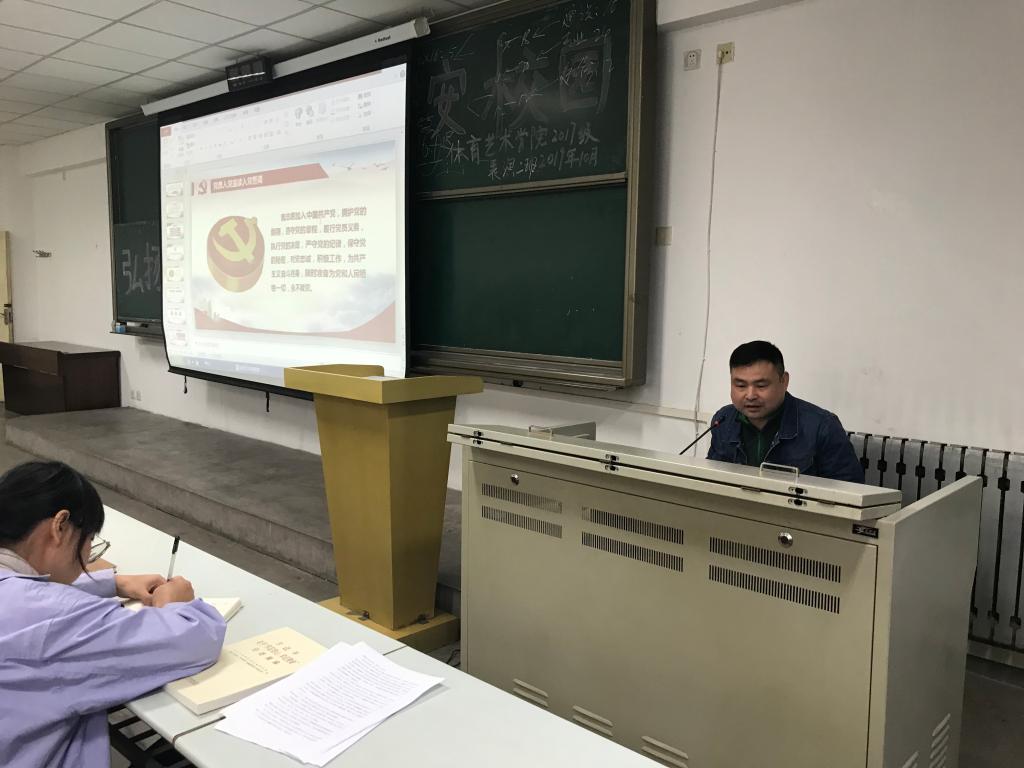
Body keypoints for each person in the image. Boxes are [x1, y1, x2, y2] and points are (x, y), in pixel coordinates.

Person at [0, 461, 226, 768]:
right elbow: (195, 640)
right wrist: (177, 604)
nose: (88, 556)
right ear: (60, 526)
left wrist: (113, 582)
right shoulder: (55, 619)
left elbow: (25, 595)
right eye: (89, 541)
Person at [706, 341, 864, 483]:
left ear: (784, 381)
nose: (750, 395)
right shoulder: (723, 420)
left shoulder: (822, 427)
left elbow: (850, 491)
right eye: (741, 386)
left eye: (761, 386)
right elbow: (710, 480)